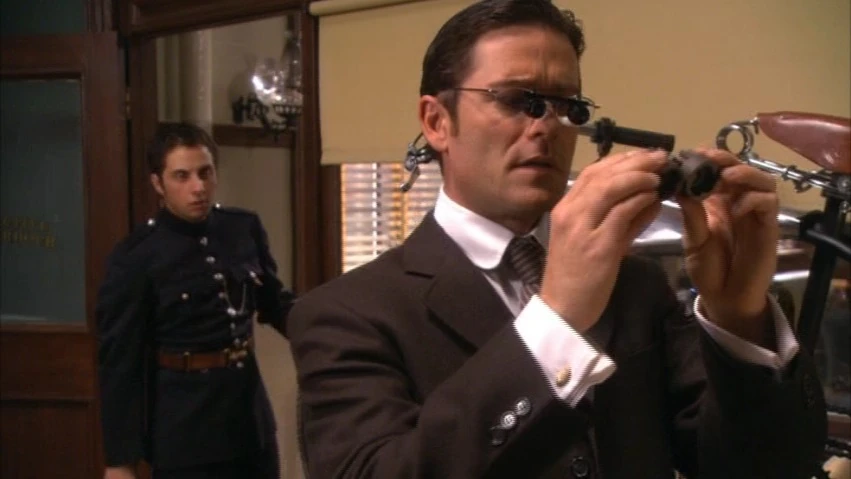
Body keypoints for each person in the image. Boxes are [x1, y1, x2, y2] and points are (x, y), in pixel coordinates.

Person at [286, 1, 828, 478]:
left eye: (568, 106)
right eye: (516, 99)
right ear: (436, 122)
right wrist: (558, 318)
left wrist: (739, 319)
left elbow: (759, 466)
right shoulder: (345, 315)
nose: (547, 125)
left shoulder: (636, 285)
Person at [96, 122, 295, 479]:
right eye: (182, 176)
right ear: (158, 184)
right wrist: (120, 461)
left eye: (205, 173)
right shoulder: (137, 256)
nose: (198, 187)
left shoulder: (242, 228)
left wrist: (332, 330)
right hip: (184, 434)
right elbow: (119, 364)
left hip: (248, 422)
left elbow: (274, 304)